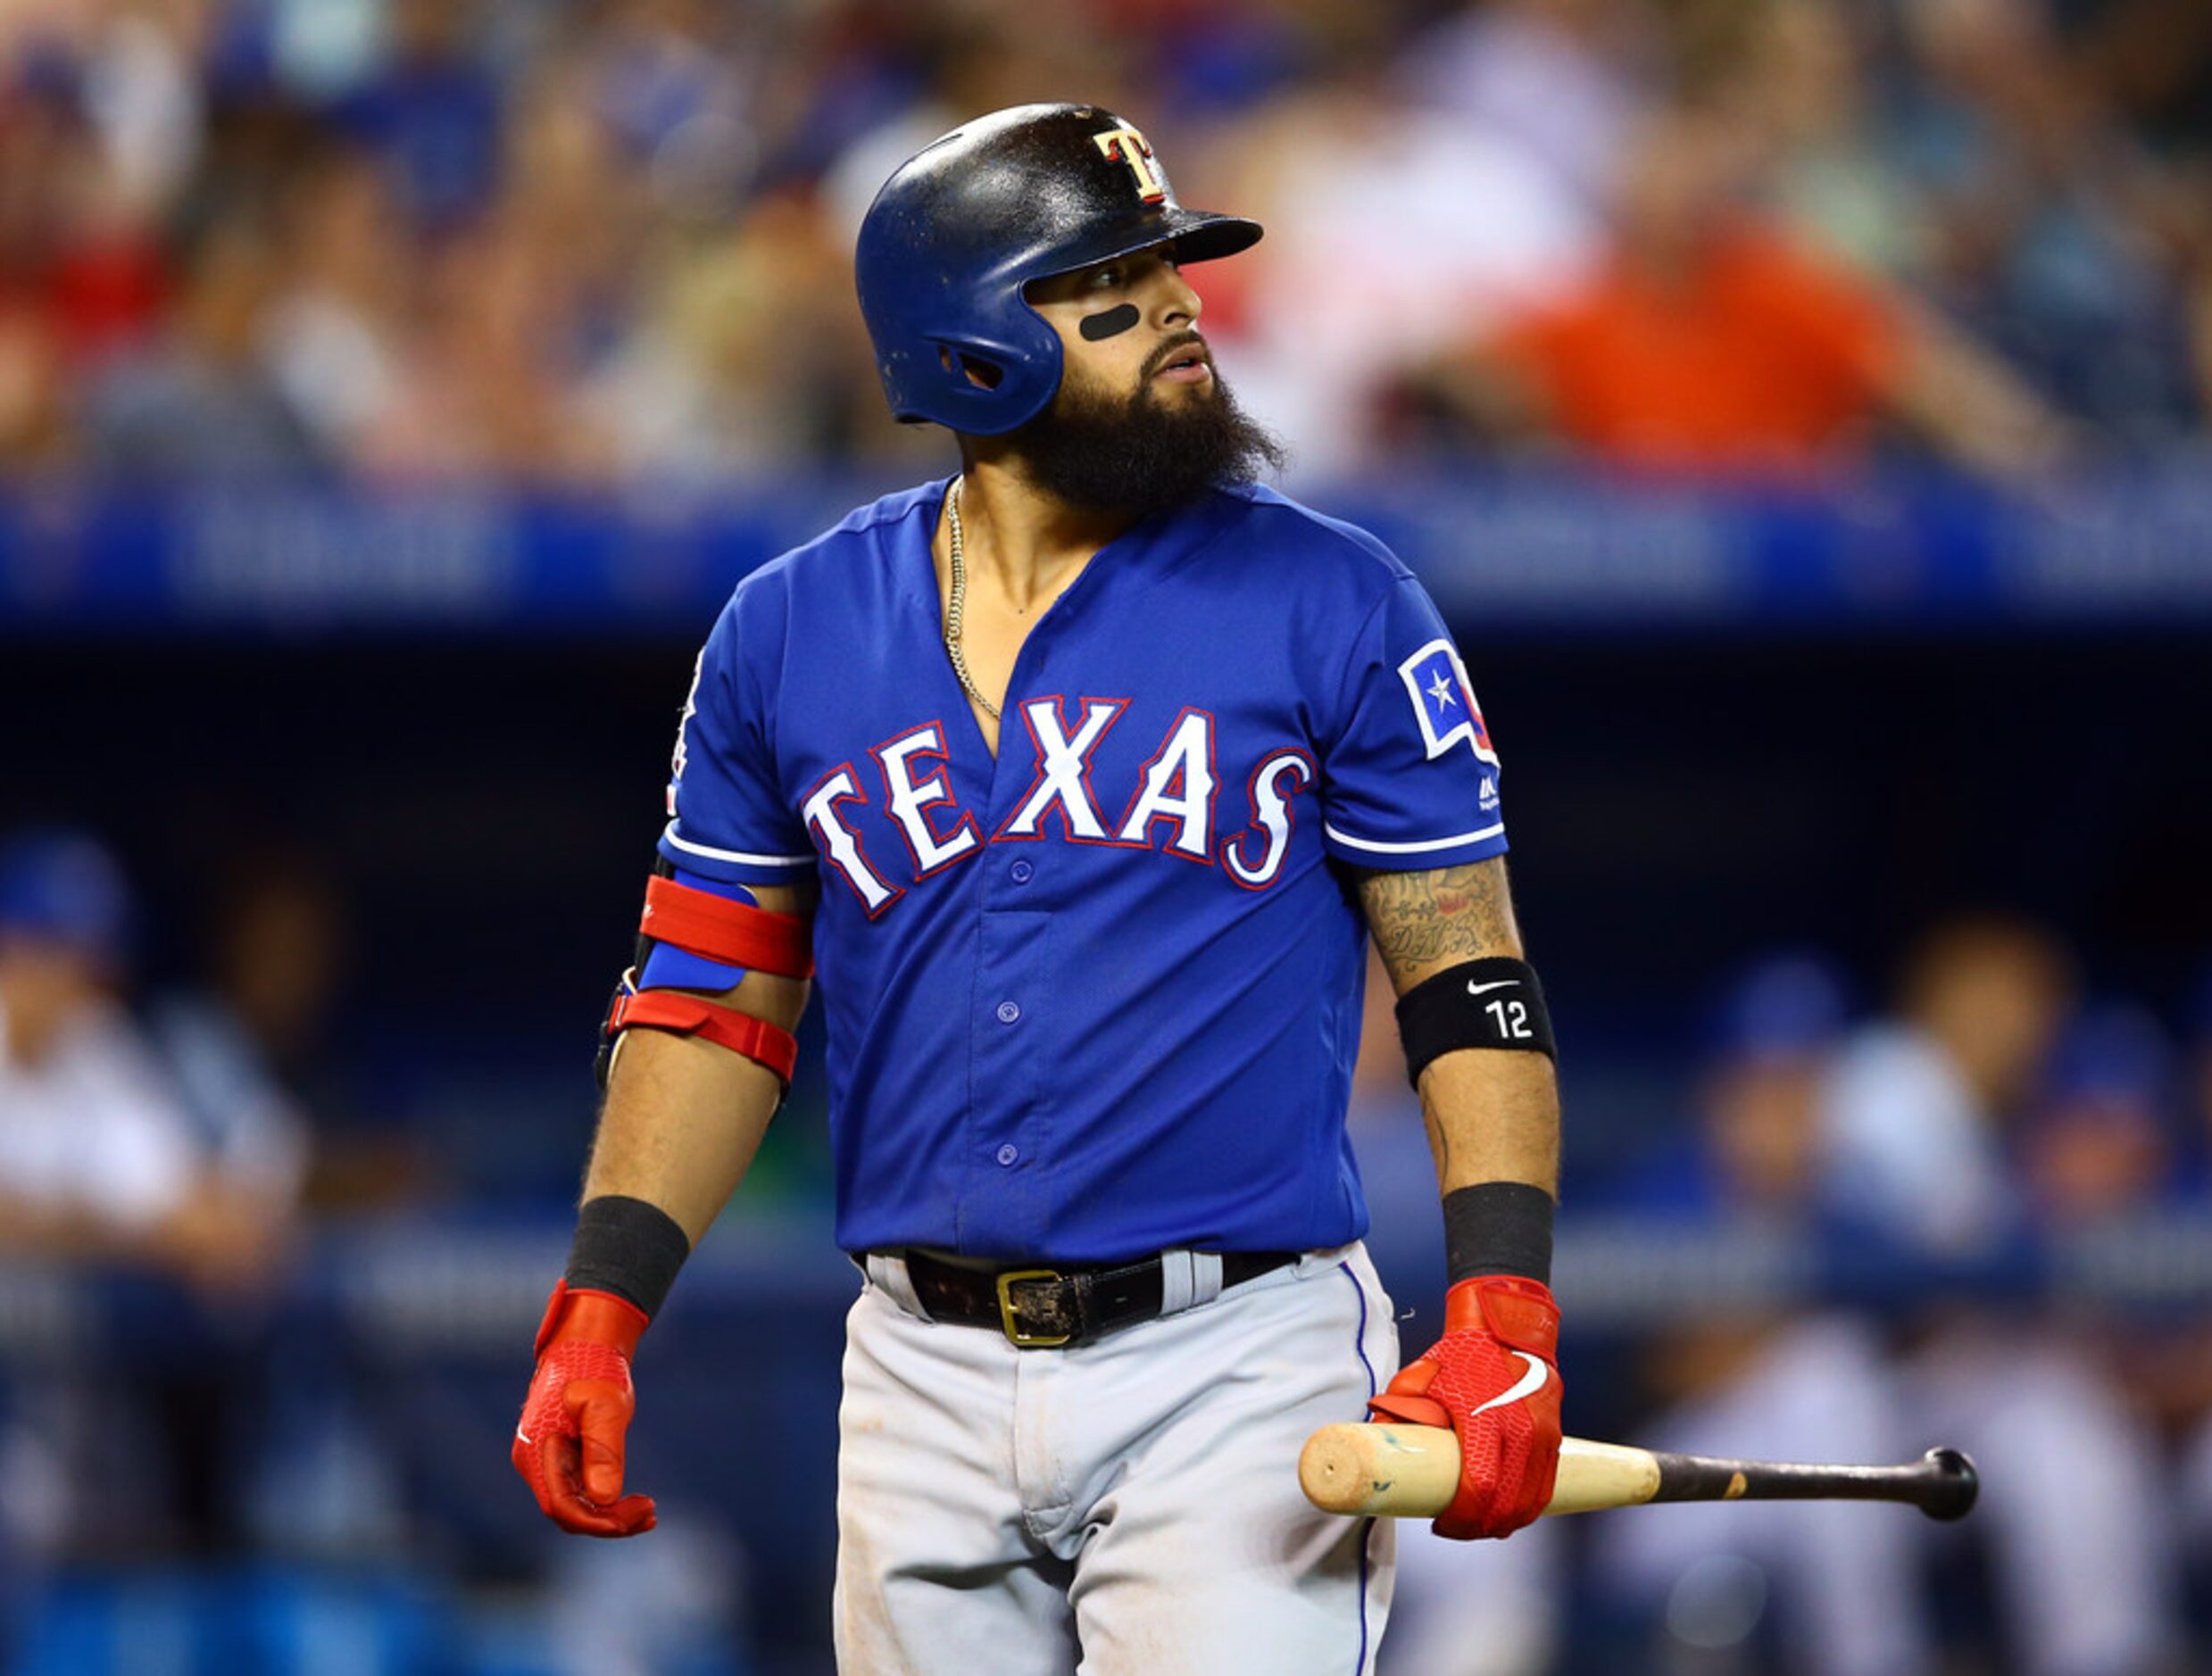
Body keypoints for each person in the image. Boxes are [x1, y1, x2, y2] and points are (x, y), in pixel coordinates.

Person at [511, 104, 1567, 1672]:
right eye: (1113, 288)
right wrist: (601, 1305)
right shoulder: (787, 630)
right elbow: (712, 1004)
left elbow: (1464, 969)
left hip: (1238, 1356)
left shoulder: (1336, 600)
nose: (1180, 311)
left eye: (1169, 271)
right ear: (970, 347)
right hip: (918, 1365)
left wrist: (1501, 1307)